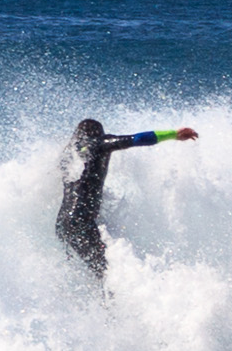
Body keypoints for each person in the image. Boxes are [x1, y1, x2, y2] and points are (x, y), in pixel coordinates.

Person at [57, 118, 198, 277]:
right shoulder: (98, 144)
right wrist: (173, 134)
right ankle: (113, 301)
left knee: (99, 271)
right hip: (80, 222)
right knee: (108, 272)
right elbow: (136, 139)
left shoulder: (69, 154)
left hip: (63, 224)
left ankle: (99, 300)